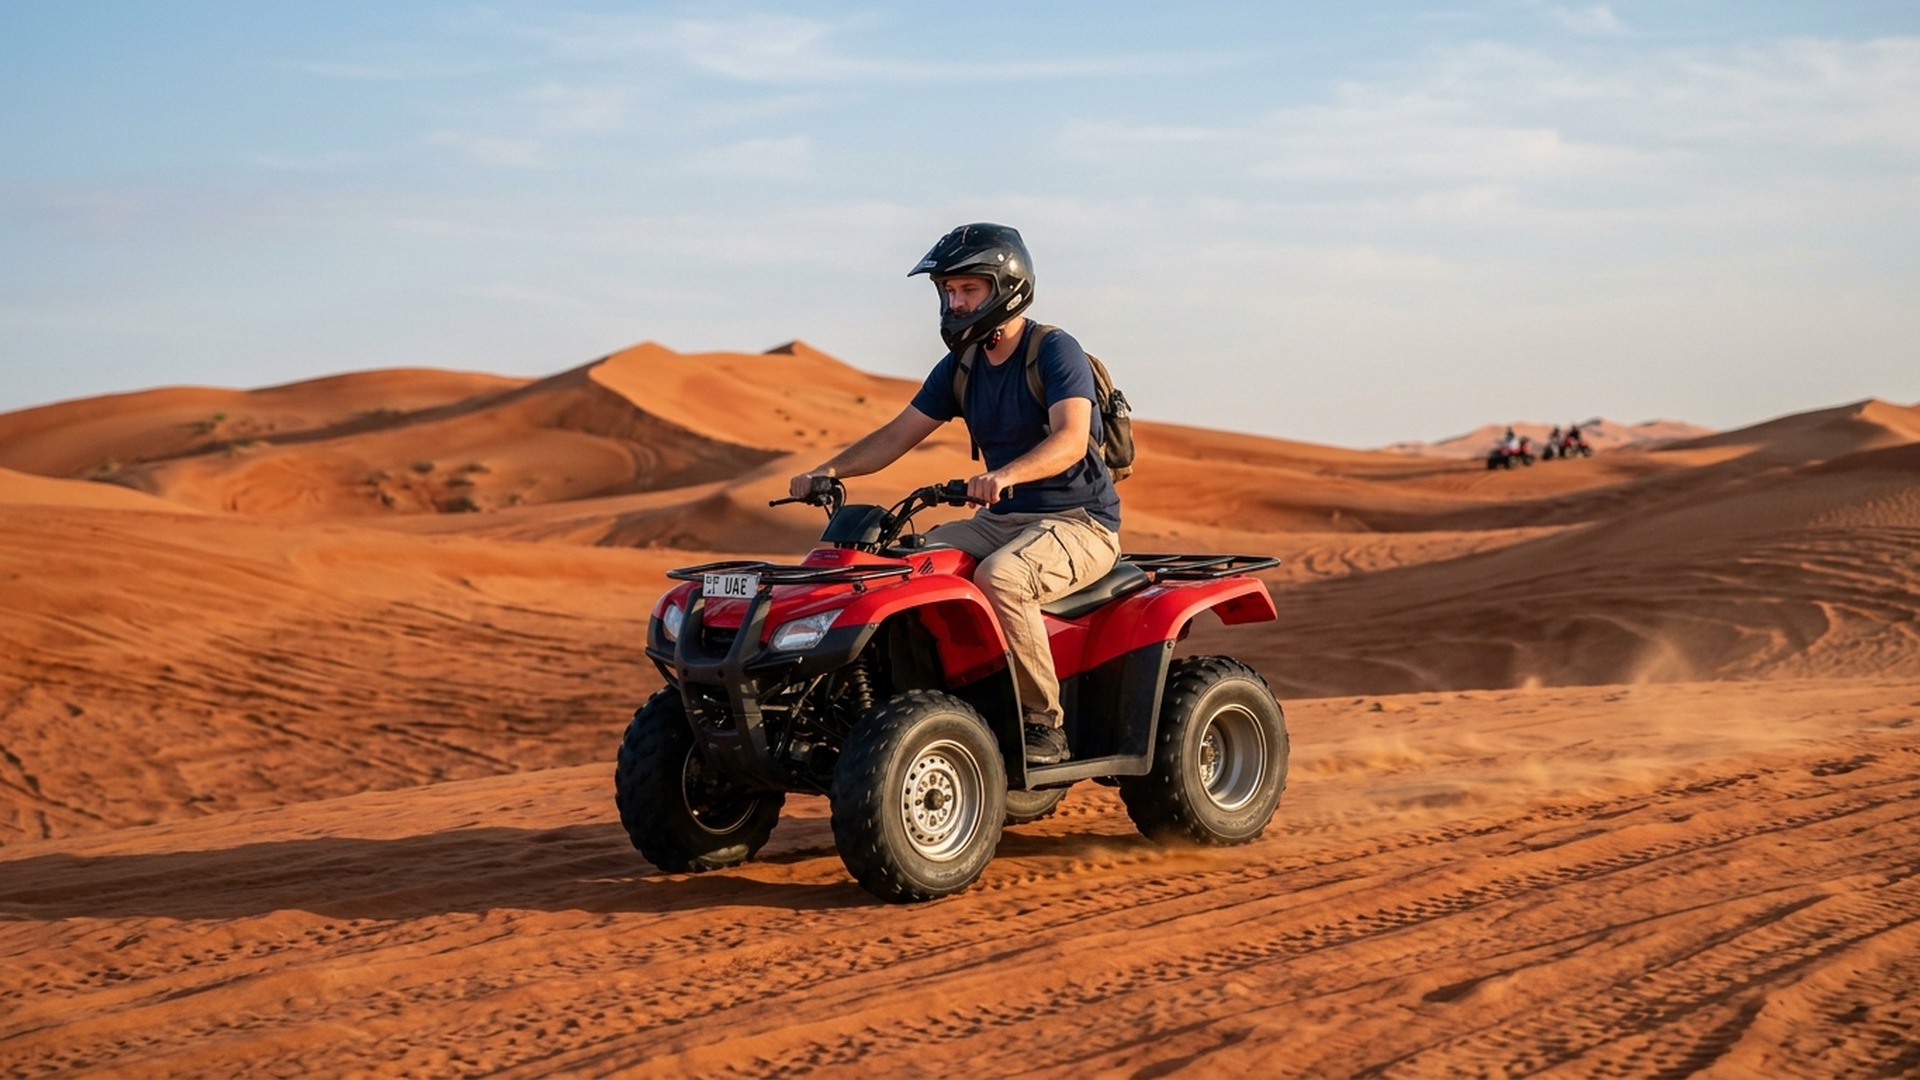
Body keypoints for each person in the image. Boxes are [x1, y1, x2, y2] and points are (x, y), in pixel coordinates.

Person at [787, 223, 1121, 765]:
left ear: (1005, 287)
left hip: (1078, 522)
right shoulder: (962, 366)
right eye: (948, 291)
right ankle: (923, 709)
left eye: (969, 290)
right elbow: (898, 434)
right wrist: (830, 469)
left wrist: (1006, 476)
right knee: (906, 568)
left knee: (1003, 578)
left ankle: (1043, 723)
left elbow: (1070, 439)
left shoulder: (1055, 350)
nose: (955, 302)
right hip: (1003, 520)